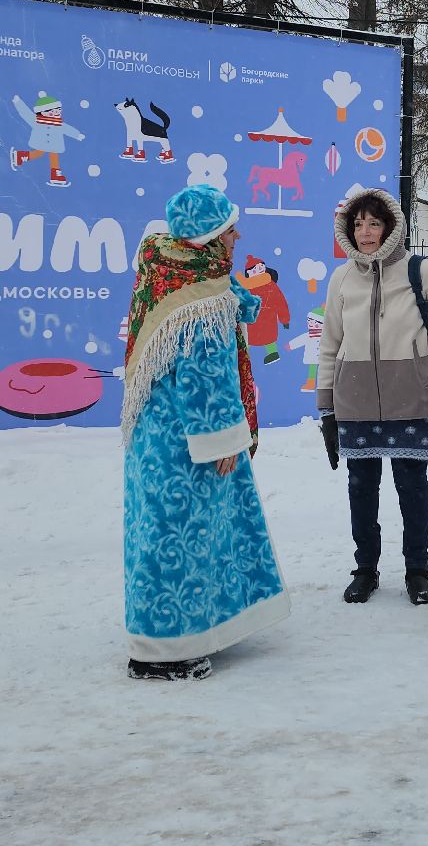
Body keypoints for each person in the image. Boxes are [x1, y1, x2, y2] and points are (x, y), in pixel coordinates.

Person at [121, 184, 290, 680]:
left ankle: (179, 629)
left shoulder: (164, 271)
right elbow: (205, 378)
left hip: (155, 436)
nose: (238, 235)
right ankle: (164, 648)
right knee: (184, 537)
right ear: (210, 238)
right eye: (229, 228)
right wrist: (224, 442)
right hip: (187, 440)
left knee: (154, 532)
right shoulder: (202, 298)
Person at [315, 187, 428, 606]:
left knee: (411, 487)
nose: (365, 232)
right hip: (356, 398)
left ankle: (418, 570)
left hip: (410, 397)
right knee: (361, 489)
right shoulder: (341, 279)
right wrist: (327, 409)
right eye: (358, 224)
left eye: (374, 223)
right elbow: (330, 344)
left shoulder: (421, 272)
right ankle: (365, 569)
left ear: (391, 227)